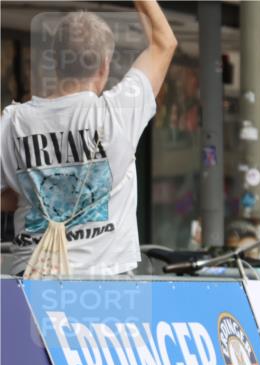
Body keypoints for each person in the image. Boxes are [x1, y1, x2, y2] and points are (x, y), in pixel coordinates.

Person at [0, 1, 176, 276]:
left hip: (32, 278)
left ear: (55, 62)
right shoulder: (118, 112)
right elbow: (163, 43)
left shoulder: (12, 123)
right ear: (104, 66)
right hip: (104, 281)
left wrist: (40, 189)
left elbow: (5, 197)